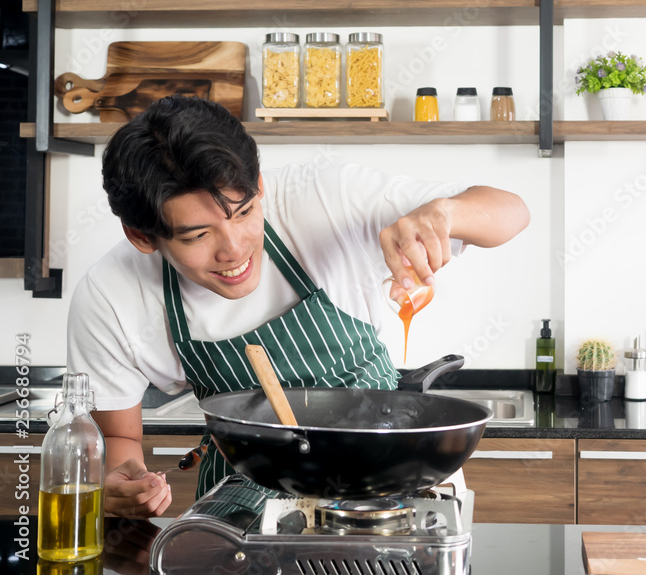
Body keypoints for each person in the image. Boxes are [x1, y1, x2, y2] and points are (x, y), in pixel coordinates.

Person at [66, 95, 530, 519]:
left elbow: (511, 210)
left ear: (260, 186)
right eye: (197, 236)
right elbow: (120, 441)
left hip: (390, 484)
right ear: (142, 236)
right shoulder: (111, 297)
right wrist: (120, 482)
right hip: (245, 504)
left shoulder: (323, 199)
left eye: (244, 212)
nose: (235, 250)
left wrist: (444, 214)